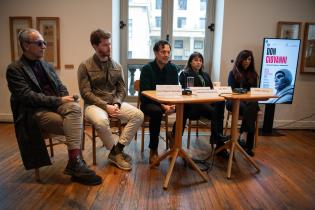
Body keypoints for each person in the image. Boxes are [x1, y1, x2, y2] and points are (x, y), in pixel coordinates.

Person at [6, 28, 102, 185]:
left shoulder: (46, 65)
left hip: (56, 104)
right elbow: (27, 97)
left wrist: (67, 98)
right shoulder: (14, 69)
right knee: (73, 123)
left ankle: (74, 162)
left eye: (44, 42)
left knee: (76, 109)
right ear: (25, 45)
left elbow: (60, 86)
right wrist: (59, 100)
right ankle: (76, 162)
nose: (44, 46)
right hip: (34, 111)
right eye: (39, 43)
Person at [78, 29, 144, 171]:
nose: (109, 47)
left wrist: (116, 103)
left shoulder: (117, 65)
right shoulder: (85, 66)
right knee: (102, 121)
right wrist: (105, 106)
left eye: (110, 44)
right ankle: (115, 152)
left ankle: (117, 150)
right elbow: (85, 93)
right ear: (95, 46)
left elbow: (122, 89)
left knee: (138, 115)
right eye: (105, 45)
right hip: (93, 105)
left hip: (114, 103)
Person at [175, 52, 230, 158]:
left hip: (207, 101)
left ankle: (218, 140)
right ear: (190, 62)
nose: (198, 62)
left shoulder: (205, 75)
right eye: (195, 60)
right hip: (193, 104)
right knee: (215, 112)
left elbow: (211, 89)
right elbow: (186, 91)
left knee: (221, 102)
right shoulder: (184, 74)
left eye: (200, 60)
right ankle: (218, 141)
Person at [140, 40, 179, 164]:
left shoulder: (173, 69)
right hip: (149, 103)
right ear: (156, 53)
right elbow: (145, 94)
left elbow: (175, 90)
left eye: (168, 52)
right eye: (163, 52)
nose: (166, 55)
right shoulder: (147, 69)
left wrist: (173, 104)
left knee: (186, 107)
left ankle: (174, 137)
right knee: (156, 112)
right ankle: (153, 149)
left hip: (168, 102)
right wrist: (163, 106)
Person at [226, 50, 260, 157]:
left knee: (252, 106)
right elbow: (233, 90)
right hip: (234, 101)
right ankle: (246, 141)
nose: (247, 61)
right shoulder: (233, 73)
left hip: (249, 102)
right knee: (251, 109)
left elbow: (254, 92)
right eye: (245, 59)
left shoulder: (254, 75)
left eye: (249, 59)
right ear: (240, 60)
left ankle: (243, 136)